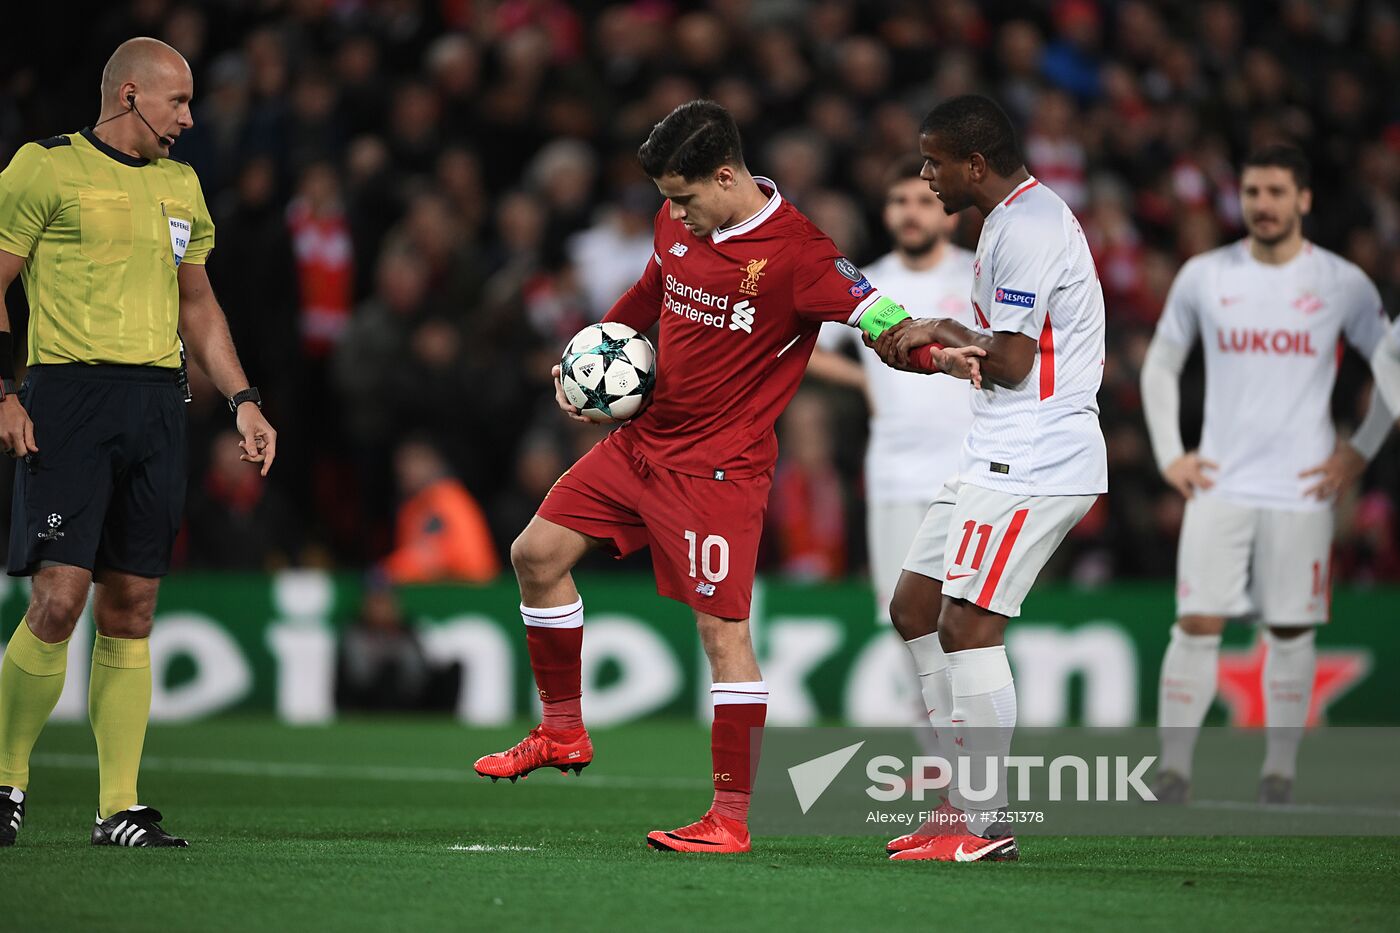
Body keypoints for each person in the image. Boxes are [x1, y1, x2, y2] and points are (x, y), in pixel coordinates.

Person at [472, 100, 983, 854]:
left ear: (724, 175)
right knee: (534, 556)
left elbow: (878, 316)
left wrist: (932, 353)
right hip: (641, 443)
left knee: (724, 635)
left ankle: (731, 818)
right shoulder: (679, 222)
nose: (673, 214)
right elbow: (650, 293)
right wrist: (593, 362)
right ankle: (561, 730)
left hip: (718, 471)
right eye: (665, 201)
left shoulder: (799, 254)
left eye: (683, 198)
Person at [0, 38, 278, 848]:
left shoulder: (181, 186)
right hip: (68, 396)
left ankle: (116, 806)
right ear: (129, 95)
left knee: (134, 604)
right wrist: (6, 391)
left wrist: (244, 400)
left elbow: (198, 305)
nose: (190, 120)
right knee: (58, 597)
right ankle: (7, 781)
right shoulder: (41, 169)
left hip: (158, 402)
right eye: (178, 102)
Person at [870, 94, 1108, 862]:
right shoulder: (1008, 221)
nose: (926, 174)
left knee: (968, 626)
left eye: (933, 161)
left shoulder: (1030, 228)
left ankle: (980, 819)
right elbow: (997, 361)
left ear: (974, 163)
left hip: (1034, 457)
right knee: (913, 606)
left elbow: (1008, 362)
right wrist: (940, 353)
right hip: (997, 449)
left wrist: (940, 330)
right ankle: (958, 800)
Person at [1140, 144, 1393, 805]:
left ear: (1303, 199)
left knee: (1290, 628)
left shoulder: (1340, 282)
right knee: (1196, 621)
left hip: (1302, 488)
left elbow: (1390, 368)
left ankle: (1279, 769)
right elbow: (1161, 363)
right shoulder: (1205, 275)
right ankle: (1174, 768)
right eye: (1253, 192)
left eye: (1277, 192)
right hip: (1219, 482)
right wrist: (1171, 452)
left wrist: (1360, 450)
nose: (1264, 205)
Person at [381, 438, 501, 584]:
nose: (407, 471)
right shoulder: (411, 509)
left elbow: (437, 555)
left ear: (433, 464)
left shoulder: (446, 499)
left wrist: (386, 572)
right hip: (436, 589)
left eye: (416, 461)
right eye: (403, 465)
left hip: (470, 591)